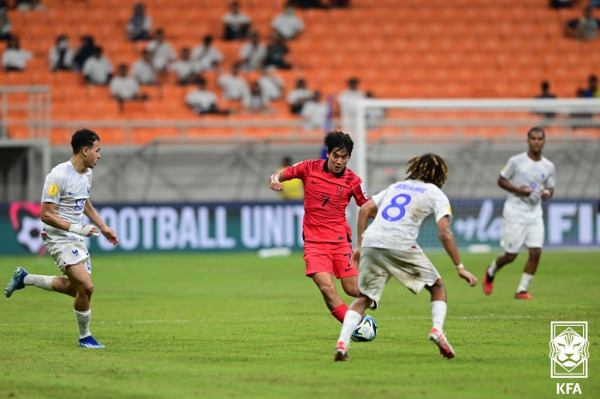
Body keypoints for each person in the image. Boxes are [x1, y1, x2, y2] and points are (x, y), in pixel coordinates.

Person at [333, 153, 478, 362]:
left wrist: (359, 246)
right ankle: (437, 330)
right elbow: (445, 233)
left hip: (373, 241)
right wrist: (460, 266)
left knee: (364, 298)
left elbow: (365, 210)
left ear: (415, 168)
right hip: (400, 242)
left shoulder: (397, 186)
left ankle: (342, 343)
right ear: (440, 175)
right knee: (437, 287)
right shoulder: (435, 193)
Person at [4, 129, 119, 349]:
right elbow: (46, 214)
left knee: (76, 290)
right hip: (57, 236)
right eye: (97, 150)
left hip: (75, 237)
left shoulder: (87, 173)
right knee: (86, 286)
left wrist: (103, 227)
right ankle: (85, 337)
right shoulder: (58, 176)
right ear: (85, 150)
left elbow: (83, 201)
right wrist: (78, 228)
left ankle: (25, 279)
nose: (100, 155)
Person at [269, 130, 370, 324]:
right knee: (326, 287)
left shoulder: (354, 181)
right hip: (314, 243)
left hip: (340, 241)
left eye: (344, 157)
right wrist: (275, 181)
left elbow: (367, 206)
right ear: (327, 153)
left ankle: (370, 293)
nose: (339, 161)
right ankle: (355, 326)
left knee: (351, 289)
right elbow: (277, 176)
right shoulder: (308, 167)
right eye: (336, 156)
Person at [483, 127, 556, 300]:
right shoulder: (516, 161)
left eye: (539, 139)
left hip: (534, 213)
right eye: (533, 138)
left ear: (544, 142)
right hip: (514, 212)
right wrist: (518, 190)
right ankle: (491, 271)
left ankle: (521, 290)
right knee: (510, 256)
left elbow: (551, 187)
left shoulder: (548, 166)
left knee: (536, 251)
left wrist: (547, 193)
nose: (536, 142)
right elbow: (501, 180)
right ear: (528, 140)